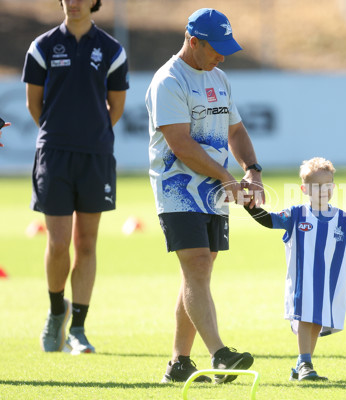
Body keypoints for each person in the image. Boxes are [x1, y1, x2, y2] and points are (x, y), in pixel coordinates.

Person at [145, 8, 264, 384]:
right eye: (217, 47)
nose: (222, 55)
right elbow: (180, 144)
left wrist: (251, 170)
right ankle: (220, 355)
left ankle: (179, 363)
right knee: (196, 264)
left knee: (200, 269)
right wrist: (227, 177)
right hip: (176, 187)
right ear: (193, 41)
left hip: (214, 187)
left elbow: (237, 131)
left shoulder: (219, 77)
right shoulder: (168, 81)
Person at [22, 0, 128, 354]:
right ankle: (56, 313)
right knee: (57, 243)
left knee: (86, 244)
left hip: (95, 157)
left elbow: (117, 107)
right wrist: (61, 135)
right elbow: (33, 105)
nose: (76, 2)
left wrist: (90, 136)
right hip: (53, 155)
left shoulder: (112, 50)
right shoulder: (42, 47)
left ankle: (78, 330)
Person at [244, 157, 346, 381]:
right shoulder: (295, 215)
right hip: (304, 282)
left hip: (329, 284)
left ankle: (301, 368)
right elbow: (269, 220)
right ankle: (305, 362)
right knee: (304, 317)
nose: (323, 191)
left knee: (317, 322)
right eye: (317, 186)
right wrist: (249, 206)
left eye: (327, 186)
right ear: (305, 189)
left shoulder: (342, 218)